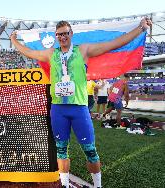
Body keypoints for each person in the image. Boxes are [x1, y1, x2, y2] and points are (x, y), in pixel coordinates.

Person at [10, 18, 151, 188]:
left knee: (90, 151)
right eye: (59, 34)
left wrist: (140, 28)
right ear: (56, 36)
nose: (63, 37)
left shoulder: (83, 50)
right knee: (61, 150)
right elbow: (29, 53)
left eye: (66, 33)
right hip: (58, 110)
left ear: (71, 34)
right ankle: (64, 185)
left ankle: (97, 186)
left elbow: (113, 44)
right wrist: (13, 41)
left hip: (79, 109)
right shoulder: (50, 54)